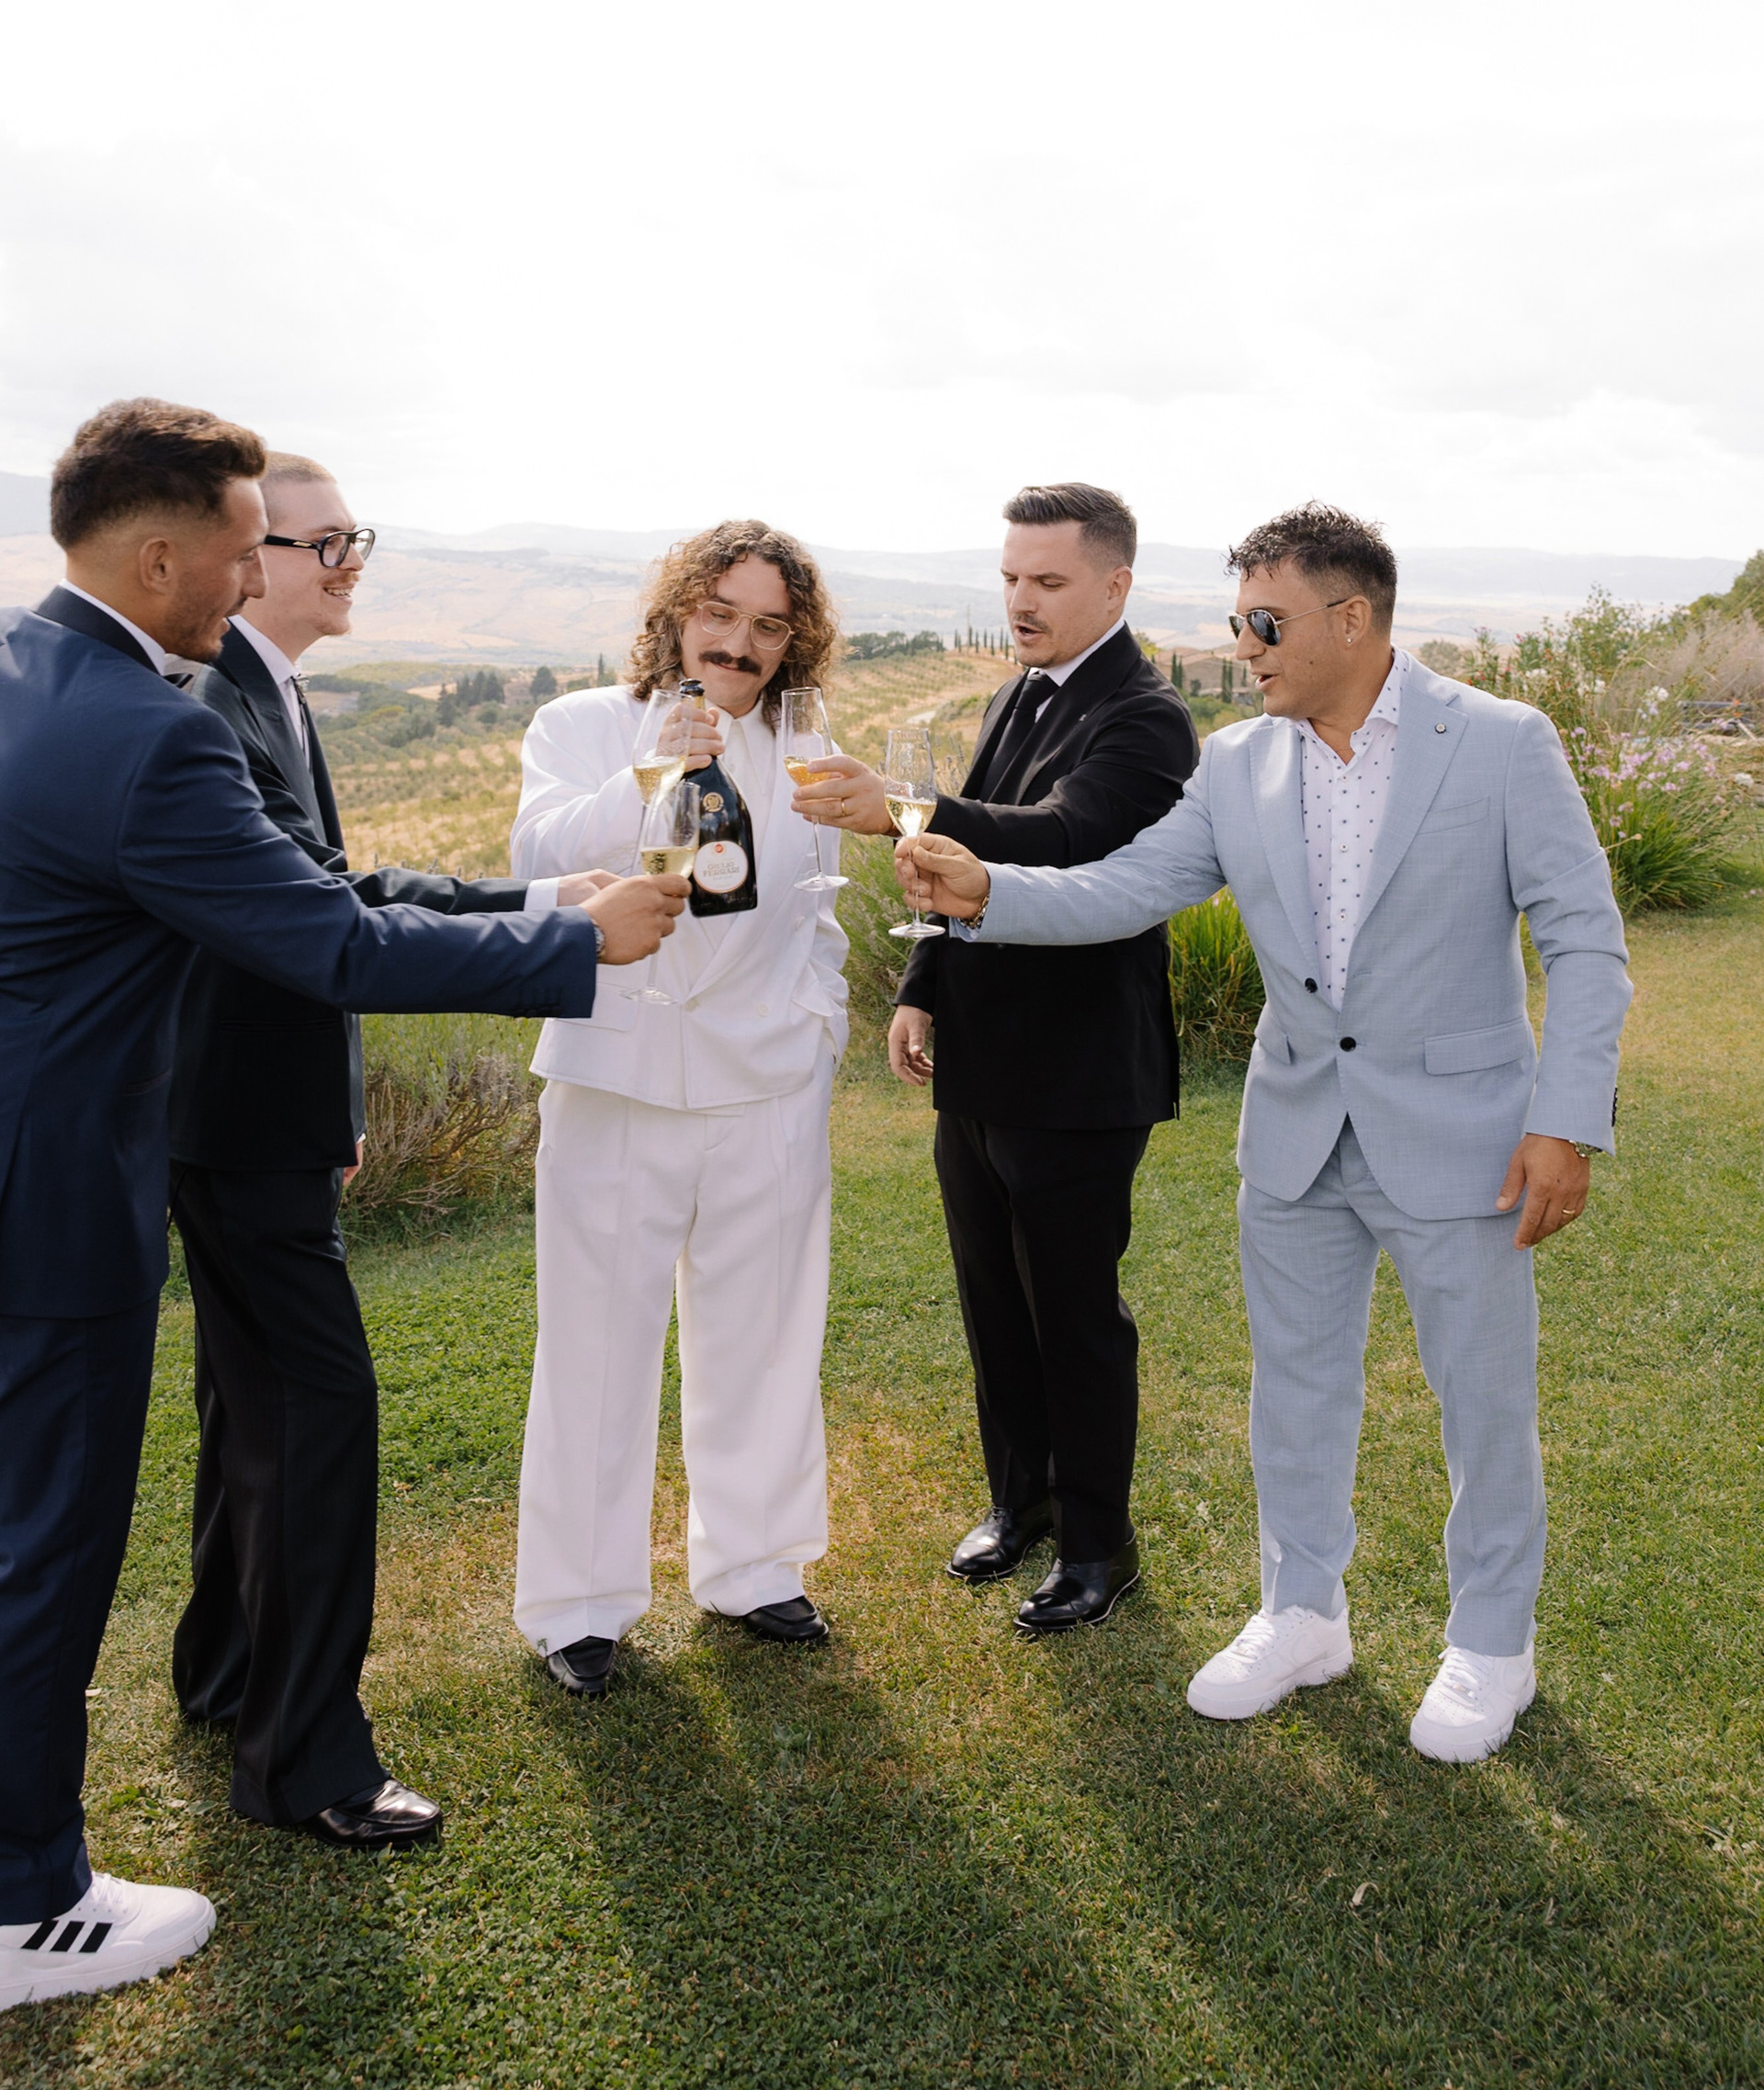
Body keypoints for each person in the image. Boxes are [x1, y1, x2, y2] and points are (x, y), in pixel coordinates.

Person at [0, 400, 684, 2013]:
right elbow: (330, 940)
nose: (256, 578)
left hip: (41, 1150)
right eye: (241, 550)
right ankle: (26, 1904)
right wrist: (575, 940)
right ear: (155, 555)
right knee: (46, 1547)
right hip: (61, 1188)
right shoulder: (154, 728)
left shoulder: (33, 668)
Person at [900, 502, 1630, 1760]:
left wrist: (1565, 1121)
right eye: (1239, 620)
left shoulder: (1503, 741)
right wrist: (986, 889)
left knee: (1481, 1401)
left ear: (1352, 618)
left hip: (1465, 1134)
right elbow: (1129, 885)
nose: (1243, 645)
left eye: (1265, 622)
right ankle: (1301, 1615)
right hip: (1294, 1132)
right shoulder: (1236, 762)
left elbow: (1585, 944)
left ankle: (1491, 1645)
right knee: (1293, 1388)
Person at [165, 451, 620, 1853]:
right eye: (325, 541)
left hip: (254, 1114)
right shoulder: (216, 706)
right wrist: (570, 938)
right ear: (247, 560)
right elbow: (330, 933)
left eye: (355, 535)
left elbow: (331, 887)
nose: (351, 560)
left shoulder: (265, 689)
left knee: (250, 1409)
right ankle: (306, 1762)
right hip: (233, 1122)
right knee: (316, 1417)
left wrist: (536, 892)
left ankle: (223, 1672)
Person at [793, 484, 1196, 1633]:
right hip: (979, 1049)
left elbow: (1063, 837)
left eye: (1048, 582)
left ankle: (1100, 1546)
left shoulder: (1148, 720)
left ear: (1115, 586)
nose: (1021, 601)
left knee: (1072, 1312)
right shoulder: (1022, 690)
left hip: (1077, 1069)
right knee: (992, 1298)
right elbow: (958, 861)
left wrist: (899, 808)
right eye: (1012, 577)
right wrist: (922, 987)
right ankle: (1019, 1502)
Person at [508, 519, 851, 1700]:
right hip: (618, 1076)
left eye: (769, 626)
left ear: (794, 641)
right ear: (676, 614)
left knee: (765, 1337)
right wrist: (651, 768)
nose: (741, 644)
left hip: (769, 1085)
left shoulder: (808, 748)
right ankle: (578, 1605)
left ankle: (754, 1567)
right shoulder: (582, 726)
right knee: (596, 1345)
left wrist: (819, 1031)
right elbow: (534, 856)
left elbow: (816, 910)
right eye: (721, 614)